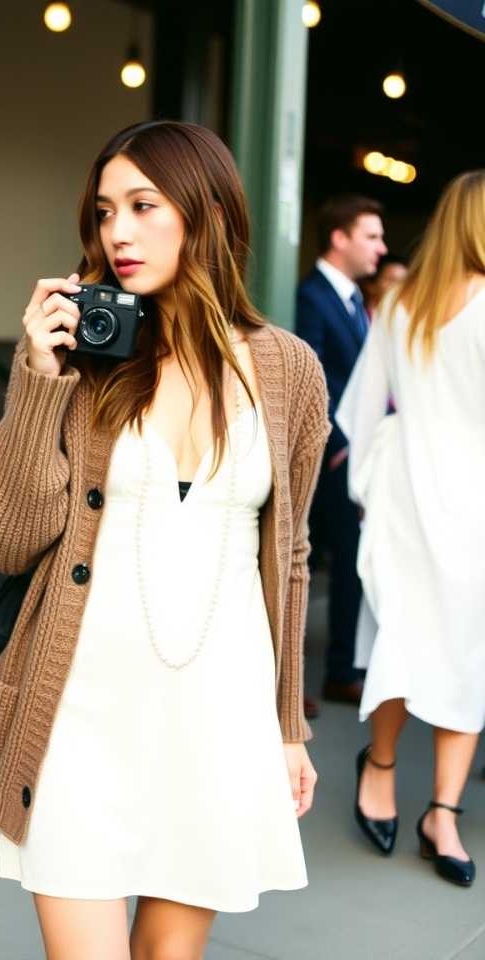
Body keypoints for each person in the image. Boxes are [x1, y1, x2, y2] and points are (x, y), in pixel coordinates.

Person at [0, 120, 330, 958]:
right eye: (102, 212)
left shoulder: (290, 370)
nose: (115, 232)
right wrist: (38, 383)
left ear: (206, 212)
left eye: (141, 205)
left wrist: (286, 727)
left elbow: (290, 560)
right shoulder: (88, 359)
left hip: (218, 712)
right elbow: (3, 536)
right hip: (77, 713)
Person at [336, 170, 485, 887]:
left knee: (461, 651)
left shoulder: (399, 303)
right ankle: (392, 778)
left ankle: (436, 808)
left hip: (437, 498)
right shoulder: (402, 308)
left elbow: (358, 416)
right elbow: (363, 406)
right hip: (427, 499)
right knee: (422, 642)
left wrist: (367, 485)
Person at [295, 195, 387, 714]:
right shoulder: (313, 296)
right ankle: (322, 675)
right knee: (307, 562)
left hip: (357, 452)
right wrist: (337, 442)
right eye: (371, 235)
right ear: (340, 238)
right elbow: (316, 374)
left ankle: (341, 670)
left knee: (352, 562)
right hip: (332, 454)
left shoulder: (353, 299)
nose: (381, 246)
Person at [360, 253, 408, 318]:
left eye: (403, 283)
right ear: (370, 285)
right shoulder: (359, 320)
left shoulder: (403, 320)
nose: (400, 288)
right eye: (393, 281)